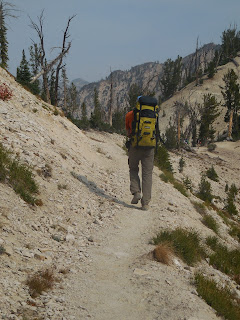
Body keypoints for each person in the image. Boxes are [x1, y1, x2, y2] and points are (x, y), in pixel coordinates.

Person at [125, 95, 159, 211]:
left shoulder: (130, 115)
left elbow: (128, 131)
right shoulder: (155, 115)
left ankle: (136, 192)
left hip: (135, 146)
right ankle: (145, 203)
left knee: (133, 168)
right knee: (147, 174)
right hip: (149, 147)